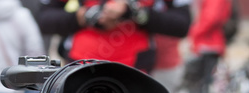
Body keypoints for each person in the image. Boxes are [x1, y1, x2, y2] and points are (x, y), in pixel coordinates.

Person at [37, 0, 191, 73]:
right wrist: (85, 16)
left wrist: (136, 12)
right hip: (81, 67)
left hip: (135, 72)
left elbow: (182, 25)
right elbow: (44, 19)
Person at [186, 0, 232, 93]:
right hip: (211, 42)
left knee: (202, 84)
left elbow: (212, 17)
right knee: (205, 83)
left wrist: (194, 33)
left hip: (207, 44)